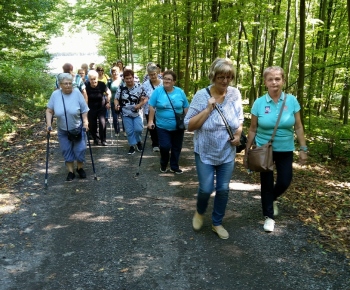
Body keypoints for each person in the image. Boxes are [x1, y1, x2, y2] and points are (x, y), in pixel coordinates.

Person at [184, 58, 243, 239]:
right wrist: (208, 110)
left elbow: (239, 119)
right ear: (213, 77)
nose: (225, 82)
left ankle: (217, 223)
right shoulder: (201, 96)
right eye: (220, 77)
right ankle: (200, 212)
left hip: (226, 151)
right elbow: (189, 125)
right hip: (205, 151)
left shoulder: (235, 94)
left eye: (228, 77)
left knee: (223, 189)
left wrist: (239, 135)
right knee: (206, 188)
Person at [244, 66, 308, 233]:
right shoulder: (259, 103)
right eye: (270, 79)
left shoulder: (292, 101)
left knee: (284, 181)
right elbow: (252, 128)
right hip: (264, 149)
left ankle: (270, 199)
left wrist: (303, 148)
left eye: (277, 79)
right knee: (266, 182)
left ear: (283, 81)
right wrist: (247, 149)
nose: (274, 82)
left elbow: (299, 126)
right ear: (265, 82)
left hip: (285, 148)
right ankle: (269, 217)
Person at [46, 73, 89, 181]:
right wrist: (49, 125)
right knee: (66, 150)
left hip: (78, 128)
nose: (68, 85)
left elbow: (84, 110)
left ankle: (80, 168)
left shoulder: (77, 93)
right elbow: (49, 110)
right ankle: (71, 171)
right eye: (65, 83)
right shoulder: (55, 95)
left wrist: (85, 122)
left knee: (80, 149)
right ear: (60, 84)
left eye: (70, 83)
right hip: (63, 129)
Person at [147, 70, 189, 174]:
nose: (166, 81)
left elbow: (186, 107)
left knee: (177, 147)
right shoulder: (158, 91)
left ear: (174, 81)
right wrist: (150, 121)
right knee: (165, 146)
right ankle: (163, 163)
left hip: (178, 126)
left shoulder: (180, 92)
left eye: (169, 79)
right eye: (165, 78)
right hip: (162, 126)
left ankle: (174, 166)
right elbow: (152, 106)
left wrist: (188, 121)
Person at [114, 69, 148, 154]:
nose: (129, 80)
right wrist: (116, 105)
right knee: (129, 131)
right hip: (125, 112)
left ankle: (138, 141)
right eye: (127, 78)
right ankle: (132, 145)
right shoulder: (121, 87)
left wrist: (139, 105)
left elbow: (145, 98)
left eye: (130, 78)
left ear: (133, 78)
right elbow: (116, 99)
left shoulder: (139, 87)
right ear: (124, 79)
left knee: (138, 129)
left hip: (137, 112)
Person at [86, 70, 112, 146]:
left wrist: (108, 102)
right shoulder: (86, 85)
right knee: (92, 124)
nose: (93, 81)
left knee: (102, 122)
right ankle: (95, 138)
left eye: (94, 79)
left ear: (97, 78)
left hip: (101, 106)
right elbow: (84, 95)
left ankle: (103, 140)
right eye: (91, 79)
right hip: (90, 107)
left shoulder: (102, 84)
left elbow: (109, 93)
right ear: (89, 79)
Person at [141, 64, 163, 152]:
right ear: (148, 75)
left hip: (161, 109)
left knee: (160, 126)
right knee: (152, 126)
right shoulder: (145, 84)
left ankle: (162, 142)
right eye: (151, 74)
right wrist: (142, 98)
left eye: (154, 74)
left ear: (157, 73)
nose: (153, 76)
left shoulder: (162, 83)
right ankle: (155, 144)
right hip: (148, 109)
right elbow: (142, 95)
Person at [107, 66, 124, 137]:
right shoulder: (110, 81)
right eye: (113, 72)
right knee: (115, 117)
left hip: (123, 100)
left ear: (119, 72)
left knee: (124, 116)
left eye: (116, 71)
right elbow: (107, 91)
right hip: (113, 100)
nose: (115, 73)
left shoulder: (122, 81)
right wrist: (108, 101)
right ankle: (117, 130)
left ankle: (125, 130)